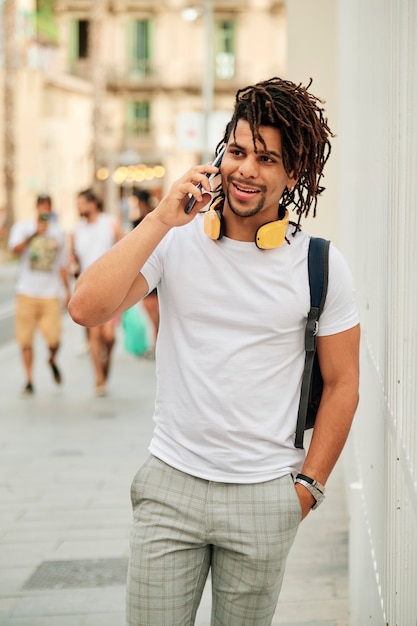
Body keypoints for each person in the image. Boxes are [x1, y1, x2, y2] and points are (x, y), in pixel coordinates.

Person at [69, 77, 360, 626]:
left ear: (292, 174)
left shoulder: (320, 265)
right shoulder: (174, 241)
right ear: (220, 154)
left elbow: (344, 383)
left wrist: (307, 490)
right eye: (239, 151)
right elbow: (86, 308)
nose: (247, 169)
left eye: (267, 159)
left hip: (264, 496)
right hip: (170, 487)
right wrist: (159, 219)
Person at [8, 193, 70, 395]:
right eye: (41, 206)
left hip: (50, 293)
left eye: (47, 207)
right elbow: (14, 251)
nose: (44, 210)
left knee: (54, 340)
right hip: (26, 291)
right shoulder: (23, 228)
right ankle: (29, 380)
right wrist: (35, 234)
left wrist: (68, 291)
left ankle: (51, 359)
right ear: (36, 208)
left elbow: (62, 265)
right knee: (25, 340)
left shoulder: (58, 233)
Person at [70, 188, 123, 396]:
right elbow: (73, 258)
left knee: (108, 337)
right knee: (94, 335)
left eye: (81, 203)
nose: (78, 207)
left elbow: (123, 250)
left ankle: (106, 362)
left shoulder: (110, 223)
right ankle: (99, 379)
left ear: (92, 204)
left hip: (111, 288)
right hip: (88, 290)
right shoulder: (76, 231)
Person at [127, 189, 159, 345]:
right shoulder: (137, 219)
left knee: (154, 305)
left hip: (155, 261)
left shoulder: (155, 216)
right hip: (144, 265)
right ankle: (156, 335)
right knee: (149, 305)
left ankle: (157, 336)